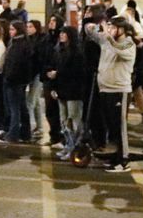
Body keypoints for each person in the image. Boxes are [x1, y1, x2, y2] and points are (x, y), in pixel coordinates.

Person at [85, 18, 138, 172]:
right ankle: (115, 157)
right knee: (112, 128)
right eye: (109, 27)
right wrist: (93, 25)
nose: (110, 30)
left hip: (119, 91)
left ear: (122, 29)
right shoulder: (107, 40)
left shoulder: (129, 43)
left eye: (113, 28)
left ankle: (123, 160)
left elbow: (120, 50)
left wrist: (108, 36)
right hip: (105, 89)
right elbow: (90, 33)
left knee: (120, 127)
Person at [51, 25, 89, 160]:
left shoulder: (77, 52)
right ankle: (68, 144)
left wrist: (58, 73)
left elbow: (78, 73)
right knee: (64, 120)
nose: (61, 35)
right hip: (62, 91)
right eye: (61, 33)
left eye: (64, 33)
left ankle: (76, 148)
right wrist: (54, 87)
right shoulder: (60, 50)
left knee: (74, 119)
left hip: (74, 92)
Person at [0, 20, 35, 143]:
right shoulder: (17, 42)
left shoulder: (19, 44)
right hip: (18, 80)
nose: (10, 32)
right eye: (10, 29)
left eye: (13, 29)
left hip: (14, 81)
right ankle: (25, 134)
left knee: (14, 109)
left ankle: (13, 134)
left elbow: (16, 64)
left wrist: (8, 77)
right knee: (21, 107)